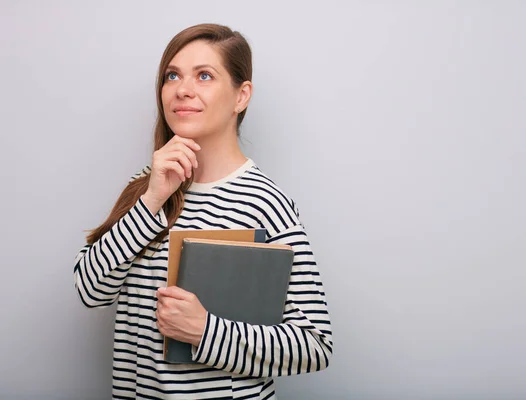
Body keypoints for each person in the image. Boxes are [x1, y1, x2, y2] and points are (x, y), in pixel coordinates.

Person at [73, 23, 333, 399]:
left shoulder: (264, 202)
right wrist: (152, 198)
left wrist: (205, 331)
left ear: (241, 96)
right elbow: (89, 290)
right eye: (172, 75)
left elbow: (314, 345)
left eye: (205, 76)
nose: (182, 89)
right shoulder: (147, 186)